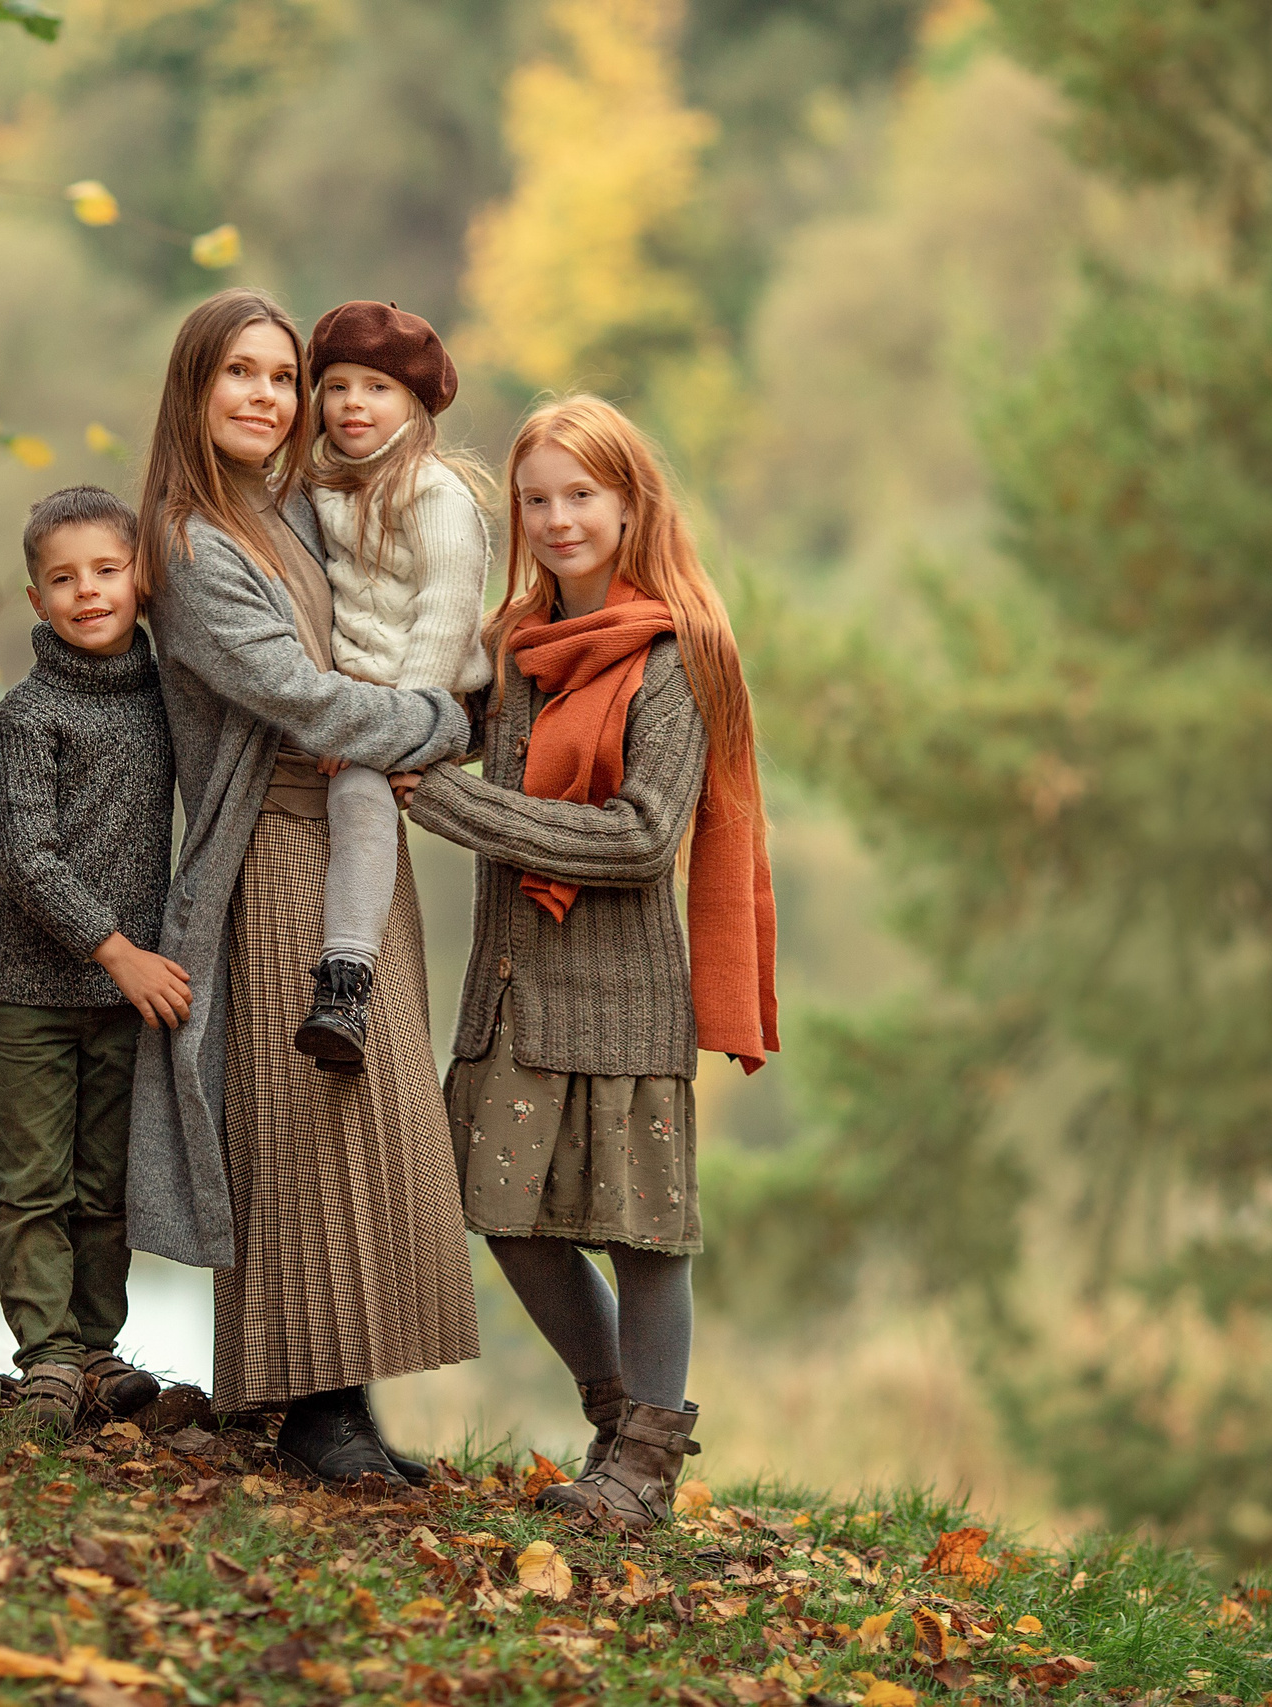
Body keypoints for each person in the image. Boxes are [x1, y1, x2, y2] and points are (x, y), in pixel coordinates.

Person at [399, 396, 780, 1530]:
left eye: (581, 495)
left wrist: (455, 807)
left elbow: (640, 837)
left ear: (628, 504)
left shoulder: (678, 655)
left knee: (643, 1232)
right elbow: (430, 722)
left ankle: (645, 1470)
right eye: (537, 500)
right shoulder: (515, 646)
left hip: (625, 997)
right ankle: (620, 1422)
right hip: (512, 987)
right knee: (502, 1211)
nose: (558, 519)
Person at [123, 287, 480, 1485]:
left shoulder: (285, 512)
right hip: (275, 848)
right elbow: (305, 698)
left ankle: (351, 1410)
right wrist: (441, 724)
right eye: (243, 373)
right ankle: (310, 1416)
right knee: (303, 1126)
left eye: (284, 378)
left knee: (367, 1123)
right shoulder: (189, 546)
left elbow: (390, 610)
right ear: (194, 386)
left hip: (351, 839)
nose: (269, 398)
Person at [0, 485, 192, 1437]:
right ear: (37, 600)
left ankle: (98, 1351)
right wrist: (119, 953)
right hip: (29, 990)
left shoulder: (171, 700)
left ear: (143, 580)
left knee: (106, 1182)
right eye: (63, 579)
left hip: (122, 995)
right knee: (36, 1181)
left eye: (107, 570)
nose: (88, 591)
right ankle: (49, 1357)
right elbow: (29, 859)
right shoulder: (26, 718)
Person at [292, 300, 491, 1075]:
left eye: (376, 388)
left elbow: (445, 614)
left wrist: (383, 728)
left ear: (413, 404)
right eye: (337, 387)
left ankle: (346, 984)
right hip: (362, 695)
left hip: (426, 698)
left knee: (360, 798)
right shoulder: (323, 485)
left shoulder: (433, 494)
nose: (353, 404)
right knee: (348, 795)